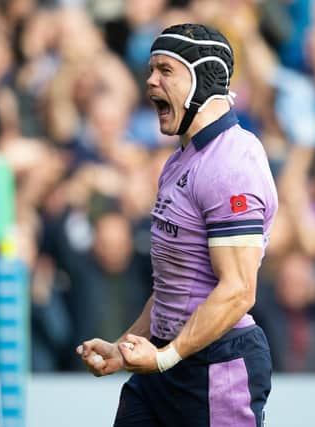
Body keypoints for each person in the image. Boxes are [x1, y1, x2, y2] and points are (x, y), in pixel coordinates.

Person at [76, 23, 277, 426]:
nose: (150, 80)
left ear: (203, 79)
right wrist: (125, 347)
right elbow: (174, 288)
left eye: (165, 70)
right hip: (167, 363)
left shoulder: (232, 162)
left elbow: (238, 290)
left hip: (216, 364)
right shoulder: (179, 160)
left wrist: (165, 357)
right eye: (151, 69)